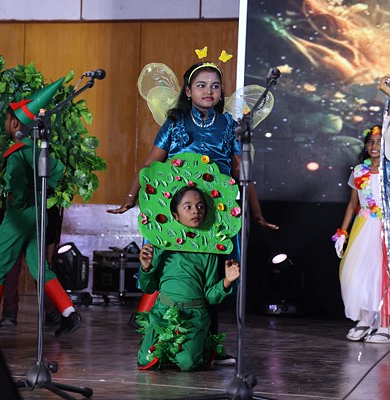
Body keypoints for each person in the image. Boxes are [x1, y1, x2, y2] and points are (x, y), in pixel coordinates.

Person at [108, 57, 277, 365]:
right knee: (170, 274)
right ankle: (161, 341)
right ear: (188, 91)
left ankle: (208, 346)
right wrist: (131, 198)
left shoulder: (229, 126)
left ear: (221, 92)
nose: (208, 91)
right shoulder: (175, 124)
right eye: (201, 85)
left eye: (215, 86)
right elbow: (150, 165)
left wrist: (257, 213)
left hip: (215, 217)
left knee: (213, 279)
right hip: (178, 214)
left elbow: (242, 173)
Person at [0, 79, 83, 337]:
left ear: (15, 124)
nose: (5, 123)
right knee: (40, 267)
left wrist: (16, 201)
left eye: (7, 119)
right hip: (39, 214)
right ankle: (69, 312)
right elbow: (58, 171)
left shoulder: (16, 152)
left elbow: (15, 184)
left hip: (19, 216)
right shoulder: (38, 150)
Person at [137, 185, 240, 371]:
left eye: (200, 207)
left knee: (187, 363)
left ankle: (203, 347)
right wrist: (146, 267)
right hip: (163, 313)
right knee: (146, 359)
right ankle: (172, 351)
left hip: (194, 315)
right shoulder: (162, 246)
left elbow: (210, 296)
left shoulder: (208, 251)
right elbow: (149, 288)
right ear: (175, 215)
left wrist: (227, 281)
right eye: (188, 207)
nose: (195, 211)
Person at [334, 125, 390, 343]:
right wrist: (342, 233)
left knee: (381, 275)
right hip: (364, 226)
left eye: (379, 142)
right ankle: (366, 321)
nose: (374, 146)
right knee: (357, 274)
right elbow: (352, 205)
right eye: (371, 142)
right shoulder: (359, 171)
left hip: (385, 227)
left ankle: (384, 324)